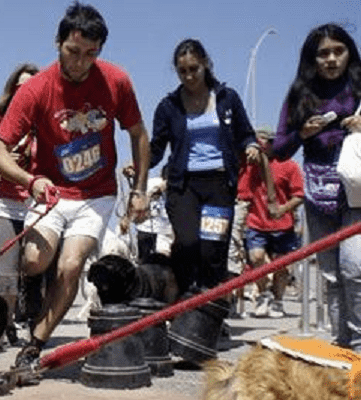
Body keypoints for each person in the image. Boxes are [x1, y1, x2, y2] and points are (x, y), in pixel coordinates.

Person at [0, 2, 150, 368]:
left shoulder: (116, 81)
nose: (80, 62)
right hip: (52, 193)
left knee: (71, 266)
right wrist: (31, 181)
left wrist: (138, 191)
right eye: (73, 52)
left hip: (96, 194)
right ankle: (34, 284)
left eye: (90, 54)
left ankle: (34, 345)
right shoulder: (36, 89)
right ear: (57, 43)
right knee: (34, 261)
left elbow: (139, 135)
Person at [273, 23, 361, 350]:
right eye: (323, 53)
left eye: (338, 50)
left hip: (356, 189)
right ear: (312, 59)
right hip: (318, 191)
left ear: (349, 52)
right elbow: (278, 149)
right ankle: (343, 347)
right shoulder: (300, 94)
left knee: (355, 269)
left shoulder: (359, 86)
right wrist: (303, 134)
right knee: (331, 276)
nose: (331, 59)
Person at [148, 38, 259, 296]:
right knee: (187, 243)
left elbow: (245, 133)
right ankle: (185, 301)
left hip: (219, 185)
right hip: (184, 185)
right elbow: (157, 147)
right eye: (182, 71)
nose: (189, 76)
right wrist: (139, 163)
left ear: (205, 65)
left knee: (212, 249)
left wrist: (251, 146)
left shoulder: (227, 98)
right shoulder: (169, 106)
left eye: (194, 69)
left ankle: (212, 309)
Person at [0, 62, 40, 346]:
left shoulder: (47, 118)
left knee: (34, 268)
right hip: (6, 202)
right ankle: (3, 327)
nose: (24, 92)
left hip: (37, 204)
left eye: (30, 86)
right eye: (19, 87)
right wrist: (3, 161)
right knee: (6, 272)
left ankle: (35, 325)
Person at [238, 126, 304, 318]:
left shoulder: (289, 165)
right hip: (256, 221)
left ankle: (277, 301)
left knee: (282, 266)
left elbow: (299, 195)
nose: (256, 147)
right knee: (256, 257)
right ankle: (263, 294)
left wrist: (282, 210)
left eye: (260, 143)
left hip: (283, 224)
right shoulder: (248, 165)